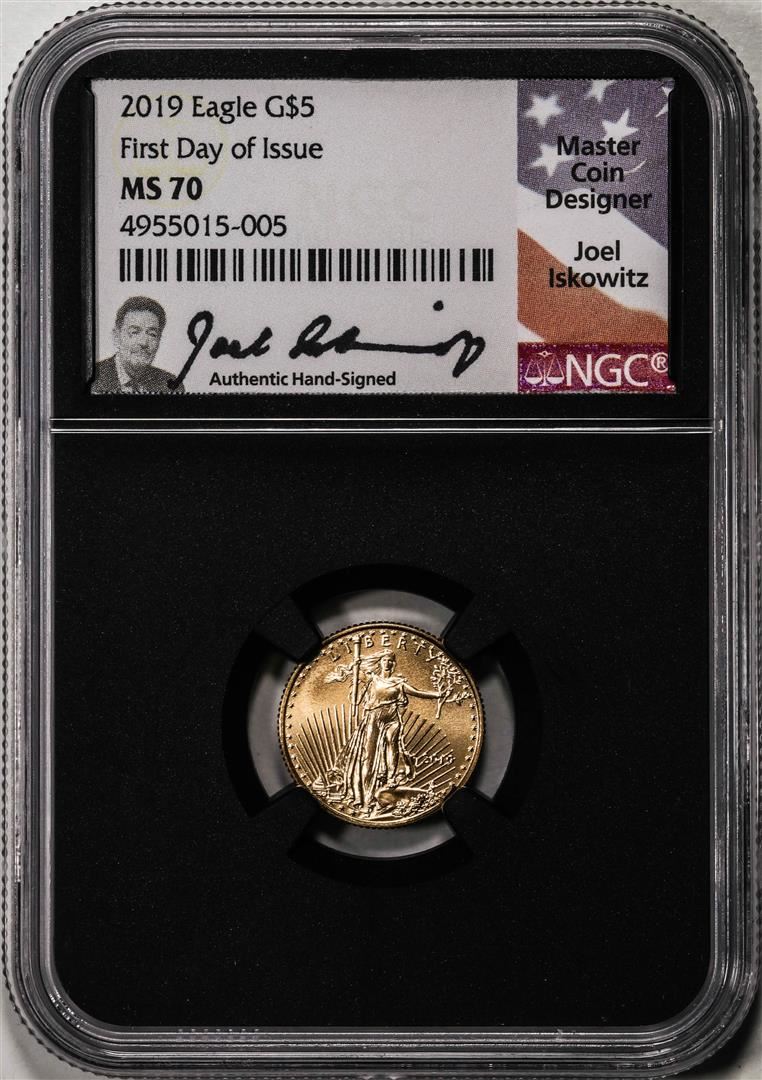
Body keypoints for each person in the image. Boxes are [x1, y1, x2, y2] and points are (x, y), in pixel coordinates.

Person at [334, 651, 442, 810]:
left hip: (392, 717)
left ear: (393, 664)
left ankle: (391, 779)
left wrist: (439, 694)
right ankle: (364, 794)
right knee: (368, 755)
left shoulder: (399, 683)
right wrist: (355, 673)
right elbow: (355, 698)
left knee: (393, 745)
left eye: (391, 660)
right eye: (385, 660)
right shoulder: (372, 679)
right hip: (373, 717)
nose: (388, 663)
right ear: (380, 662)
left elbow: (418, 692)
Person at [91, 297, 183, 394]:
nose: (143, 343)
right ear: (116, 337)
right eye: (134, 332)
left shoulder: (171, 385)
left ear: (159, 340)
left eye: (152, 334)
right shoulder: (91, 378)